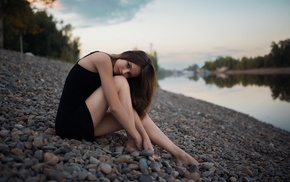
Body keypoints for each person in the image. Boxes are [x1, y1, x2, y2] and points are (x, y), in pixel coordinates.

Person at [55, 50, 199, 166]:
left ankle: (179, 154)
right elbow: (115, 107)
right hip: (69, 124)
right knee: (120, 82)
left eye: (129, 74)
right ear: (127, 55)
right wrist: (135, 137)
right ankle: (132, 143)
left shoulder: (115, 71)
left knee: (136, 112)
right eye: (128, 65)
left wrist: (145, 137)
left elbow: (130, 111)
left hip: (85, 126)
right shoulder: (102, 59)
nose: (124, 71)